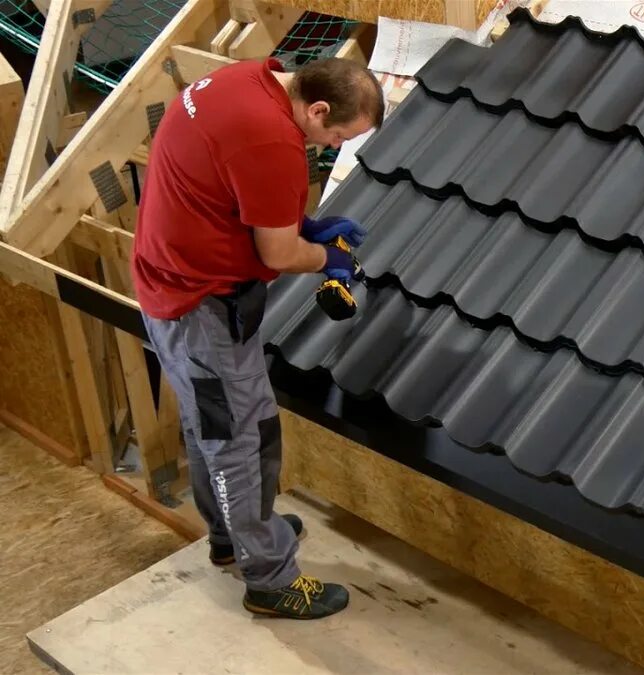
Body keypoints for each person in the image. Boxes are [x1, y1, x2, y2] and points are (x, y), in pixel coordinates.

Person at [130, 55, 383, 619]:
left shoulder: (245, 80)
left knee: (224, 423)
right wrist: (327, 257)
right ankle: (269, 579)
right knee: (236, 440)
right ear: (318, 109)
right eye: (338, 136)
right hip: (200, 307)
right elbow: (278, 253)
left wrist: (302, 222)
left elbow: (233, 186)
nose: (332, 147)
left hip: (175, 286)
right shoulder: (274, 142)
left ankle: (236, 533)